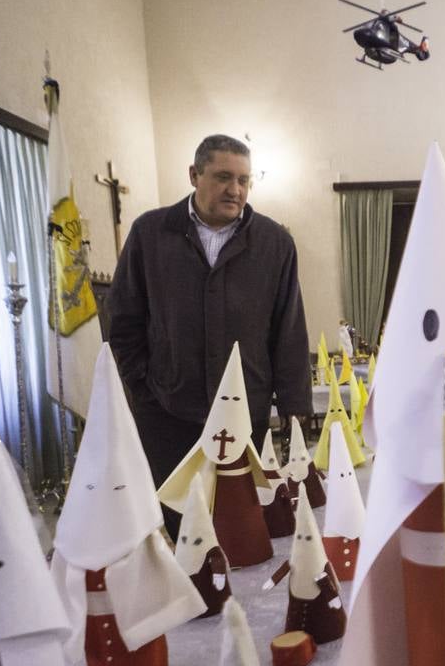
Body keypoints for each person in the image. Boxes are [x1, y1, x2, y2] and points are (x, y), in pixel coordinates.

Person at [107, 134, 311, 537]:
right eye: (222, 177)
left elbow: (288, 329)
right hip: (168, 413)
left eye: (243, 180)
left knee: (243, 528)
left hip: (243, 412)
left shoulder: (274, 243)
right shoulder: (150, 234)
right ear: (194, 175)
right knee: (183, 529)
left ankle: (236, 602)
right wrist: (143, 386)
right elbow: (124, 320)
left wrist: (293, 404)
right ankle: (192, 600)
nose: (235, 190)